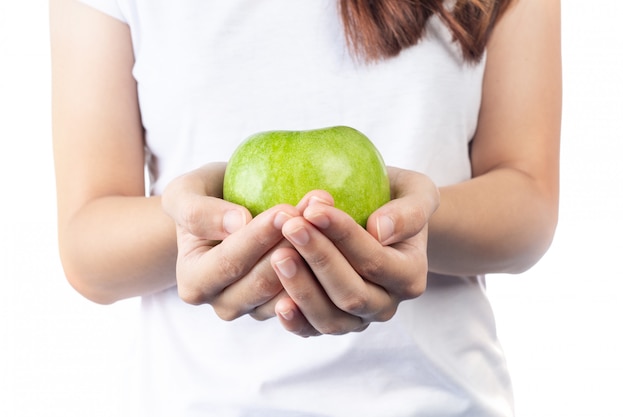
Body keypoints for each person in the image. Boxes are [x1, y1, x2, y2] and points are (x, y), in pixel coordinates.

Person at [50, 0, 561, 415]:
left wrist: (407, 218)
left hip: (439, 400)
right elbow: (86, 244)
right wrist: (203, 224)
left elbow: (528, 202)